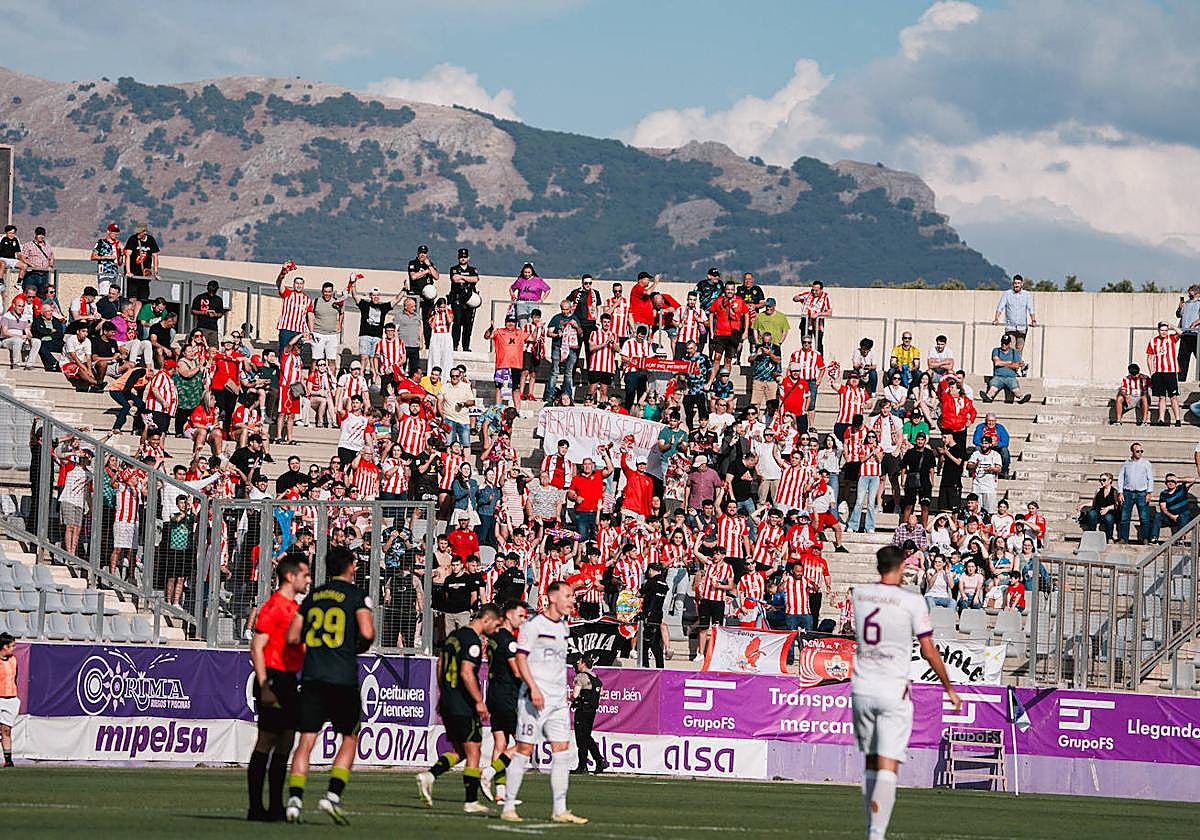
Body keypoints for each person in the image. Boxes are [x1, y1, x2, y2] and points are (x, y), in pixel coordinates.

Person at [852, 545, 961, 840]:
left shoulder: (859, 595)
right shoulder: (911, 602)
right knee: (888, 762)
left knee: (871, 761)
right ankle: (876, 833)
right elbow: (927, 650)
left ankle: (870, 827)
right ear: (901, 567)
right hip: (893, 688)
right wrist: (948, 687)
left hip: (861, 688)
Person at [285, 547, 375, 825]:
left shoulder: (313, 596)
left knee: (306, 740)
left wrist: (314, 647)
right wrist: (355, 646)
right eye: (355, 564)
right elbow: (368, 632)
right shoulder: (354, 595)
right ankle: (333, 796)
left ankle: (295, 800)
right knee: (349, 737)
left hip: (312, 676)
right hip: (342, 677)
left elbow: (292, 636)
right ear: (349, 567)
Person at [499, 580, 587, 824]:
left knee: (562, 751)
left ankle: (560, 810)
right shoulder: (533, 625)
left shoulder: (563, 627)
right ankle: (508, 806)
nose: (572, 600)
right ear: (552, 597)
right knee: (524, 750)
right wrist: (534, 688)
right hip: (534, 699)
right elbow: (521, 658)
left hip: (558, 701)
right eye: (568, 596)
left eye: (572, 596)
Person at [417, 603, 502, 814]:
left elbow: (439, 664)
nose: (495, 630)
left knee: (461, 751)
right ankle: (471, 801)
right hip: (462, 703)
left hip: (448, 701)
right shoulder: (472, 641)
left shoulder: (453, 636)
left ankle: (429, 776)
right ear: (487, 620)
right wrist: (479, 701)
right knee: (474, 750)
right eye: (496, 625)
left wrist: (443, 693)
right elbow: (466, 673)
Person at [247, 556, 311, 821]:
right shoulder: (274, 607)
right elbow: (257, 647)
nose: (308, 579)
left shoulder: (293, 608)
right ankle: (255, 807)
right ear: (290, 576)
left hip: (288, 680)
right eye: (305, 574)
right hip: (273, 678)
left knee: (286, 741)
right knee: (266, 741)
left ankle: (275, 806)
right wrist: (264, 686)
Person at [480, 600, 529, 804]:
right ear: (508, 615)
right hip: (508, 696)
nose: (523, 620)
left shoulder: (492, 638)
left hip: (493, 694)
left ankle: (500, 793)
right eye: (521, 616)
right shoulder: (509, 640)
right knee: (524, 745)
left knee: (500, 743)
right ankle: (489, 773)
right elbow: (517, 671)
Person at [569, 653, 607, 774]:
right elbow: (601, 693)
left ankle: (584, 765)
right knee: (586, 736)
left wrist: (570, 698)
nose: (577, 665)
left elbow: (575, 695)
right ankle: (598, 761)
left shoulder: (581, 677)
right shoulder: (596, 678)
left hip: (582, 709)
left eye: (579, 662)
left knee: (581, 738)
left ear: (584, 663)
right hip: (592, 711)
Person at [1146, 322, 1183, 426]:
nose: (1164, 332)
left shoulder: (1171, 338)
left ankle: (1177, 420)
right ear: (1158, 330)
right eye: (1162, 330)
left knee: (1173, 396)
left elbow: (1180, 333)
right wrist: (1152, 372)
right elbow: (1150, 357)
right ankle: (1161, 419)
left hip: (1170, 371)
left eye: (1166, 330)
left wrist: (1171, 326)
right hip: (1158, 372)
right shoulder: (1153, 341)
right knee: (1161, 397)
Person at [1117, 442, 1154, 544]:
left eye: (1141, 451)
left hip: (1141, 493)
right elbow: (1121, 478)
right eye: (1137, 451)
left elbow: (1150, 478)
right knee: (1125, 518)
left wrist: (1149, 493)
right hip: (1127, 493)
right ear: (1132, 451)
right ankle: (1124, 539)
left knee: (1144, 517)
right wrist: (1120, 492)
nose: (1140, 453)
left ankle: (1145, 538)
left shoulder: (1146, 463)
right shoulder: (1126, 463)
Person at [993, 274, 1037, 353]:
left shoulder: (1026, 295)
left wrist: (1033, 320)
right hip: (1010, 327)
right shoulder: (1007, 294)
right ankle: (1012, 364)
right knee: (1011, 349)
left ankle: (1018, 365)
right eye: (1015, 283)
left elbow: (1031, 309)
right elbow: (1000, 307)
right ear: (1013, 284)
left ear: (1022, 284)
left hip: (1022, 327)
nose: (1016, 285)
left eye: (1018, 283)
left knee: (1019, 350)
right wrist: (996, 319)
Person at [448, 248, 480, 351]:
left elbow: (475, 279)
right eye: (461, 257)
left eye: (465, 257)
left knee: (468, 324)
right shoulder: (454, 268)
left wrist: (462, 277)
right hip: (457, 298)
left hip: (469, 300)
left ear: (468, 258)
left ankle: (466, 346)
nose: (463, 258)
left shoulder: (472, 269)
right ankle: (454, 345)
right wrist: (467, 278)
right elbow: (455, 279)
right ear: (458, 257)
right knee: (457, 322)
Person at [1151, 473, 1195, 543]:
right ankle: (1154, 538)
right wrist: (1172, 516)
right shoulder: (1164, 493)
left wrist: (1178, 479)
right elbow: (1163, 509)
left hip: (1183, 517)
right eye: (1168, 481)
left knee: (1185, 514)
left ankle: (1180, 538)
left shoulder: (1182, 488)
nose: (1170, 483)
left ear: (1176, 482)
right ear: (1165, 483)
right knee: (1158, 515)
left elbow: (1193, 479)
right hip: (1170, 517)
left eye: (1172, 481)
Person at [966, 436, 1003, 514]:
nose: (984, 445)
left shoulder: (995, 455)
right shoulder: (976, 454)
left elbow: (999, 469)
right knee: (976, 510)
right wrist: (975, 465)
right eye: (982, 443)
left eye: (986, 443)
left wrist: (991, 469)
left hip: (990, 486)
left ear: (990, 444)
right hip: (977, 486)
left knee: (990, 511)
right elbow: (968, 466)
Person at [124, 223, 160, 301]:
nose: (138, 234)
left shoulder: (151, 240)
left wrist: (156, 273)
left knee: (143, 297)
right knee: (132, 297)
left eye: (140, 232)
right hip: (134, 273)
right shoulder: (132, 239)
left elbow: (155, 256)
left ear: (145, 232)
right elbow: (127, 255)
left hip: (145, 273)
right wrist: (128, 271)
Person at [972, 414, 1012, 479]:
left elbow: (1005, 441)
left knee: (1005, 450)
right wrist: (985, 444)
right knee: (977, 448)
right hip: (984, 447)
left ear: (996, 421)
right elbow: (975, 440)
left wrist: (997, 444)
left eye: (993, 421)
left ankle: (1003, 472)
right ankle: (977, 470)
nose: (991, 423)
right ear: (986, 421)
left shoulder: (1000, 428)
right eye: (989, 421)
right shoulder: (980, 427)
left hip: (996, 447)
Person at [0, 632, 17, 767]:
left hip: (11, 699)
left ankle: (8, 760)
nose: (14, 648)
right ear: (4, 647)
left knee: (6, 730)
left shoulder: (13, 660)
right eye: (12, 646)